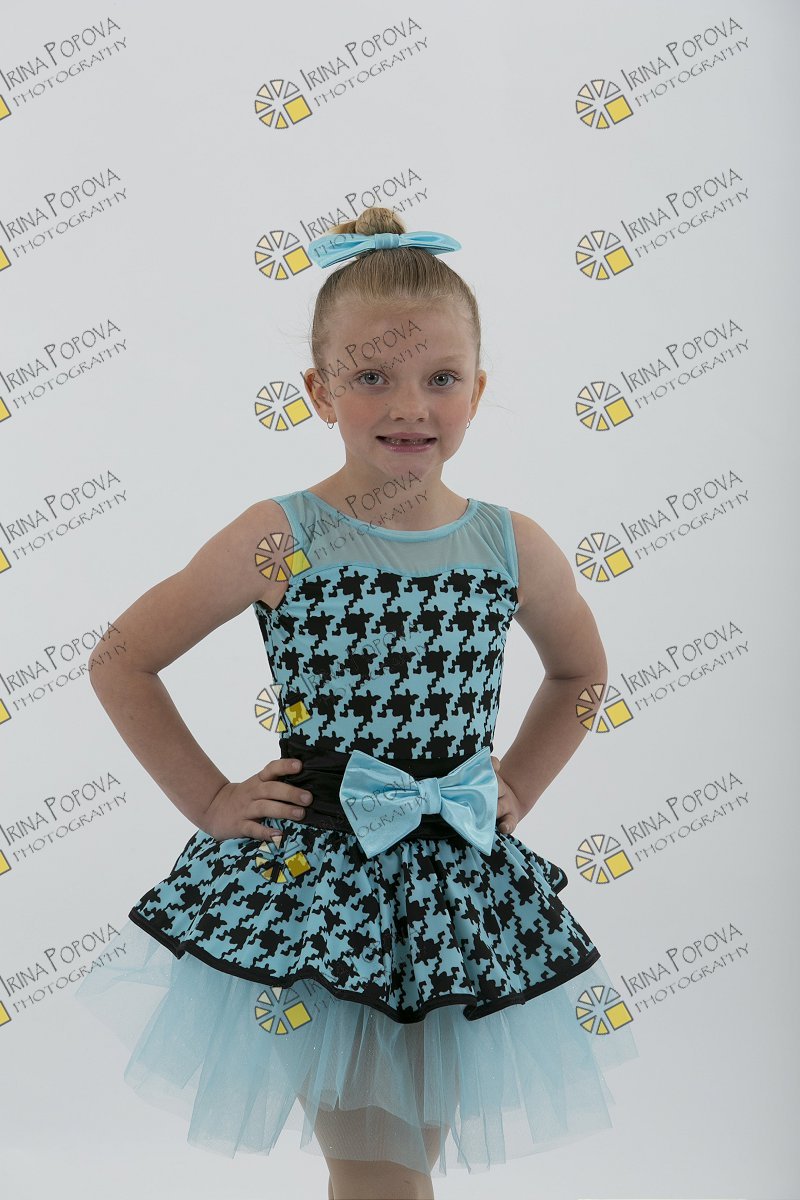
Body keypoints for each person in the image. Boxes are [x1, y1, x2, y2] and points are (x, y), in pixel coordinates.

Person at [74, 206, 638, 1200]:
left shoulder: (510, 545)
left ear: (478, 389)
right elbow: (123, 659)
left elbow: (578, 674)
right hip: (322, 887)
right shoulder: (282, 536)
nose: (408, 405)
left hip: (456, 891)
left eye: (440, 378)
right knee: (378, 1171)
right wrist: (210, 800)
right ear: (319, 390)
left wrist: (514, 784)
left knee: (403, 1163)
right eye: (372, 376)